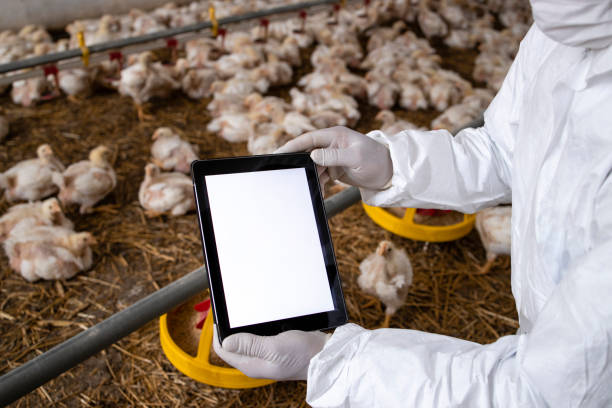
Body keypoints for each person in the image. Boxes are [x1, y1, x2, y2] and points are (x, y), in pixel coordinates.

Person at [213, 1, 612, 406]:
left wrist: (332, 364)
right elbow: (502, 148)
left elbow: (536, 393)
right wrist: (392, 165)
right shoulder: (561, 29)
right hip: (538, 329)